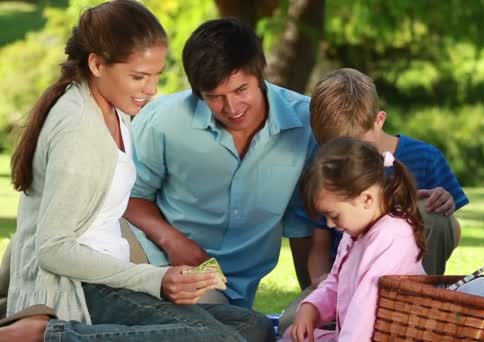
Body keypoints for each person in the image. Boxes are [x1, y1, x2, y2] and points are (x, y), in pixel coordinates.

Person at [0, 1, 272, 341]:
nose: (152, 89)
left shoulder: (112, 108)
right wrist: (153, 279)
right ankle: (48, 335)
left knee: (254, 328)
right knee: (219, 339)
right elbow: (53, 249)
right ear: (97, 64)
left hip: (109, 277)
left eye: (156, 75)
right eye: (139, 77)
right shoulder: (79, 131)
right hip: (77, 287)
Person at [123, 17, 316, 309]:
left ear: (259, 74)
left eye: (241, 90)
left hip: (228, 291)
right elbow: (128, 197)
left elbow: (304, 225)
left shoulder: (306, 123)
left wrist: (313, 302)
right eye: (215, 97)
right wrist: (172, 241)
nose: (232, 108)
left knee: (242, 329)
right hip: (155, 261)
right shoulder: (163, 121)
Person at [278, 68, 468, 333]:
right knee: (291, 325)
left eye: (354, 143)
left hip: (396, 291)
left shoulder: (425, 158)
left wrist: (440, 207)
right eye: (332, 148)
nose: (344, 156)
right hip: (342, 284)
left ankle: (415, 317)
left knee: (430, 212)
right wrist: (317, 292)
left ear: (379, 120)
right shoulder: (327, 173)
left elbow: (450, 233)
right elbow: (321, 246)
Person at [283, 137, 426, 341]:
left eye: (334, 215)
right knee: (293, 336)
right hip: (353, 335)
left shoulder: (392, 236)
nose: (330, 224)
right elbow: (336, 281)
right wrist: (311, 307)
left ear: (366, 199)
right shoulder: (356, 230)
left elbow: (366, 308)